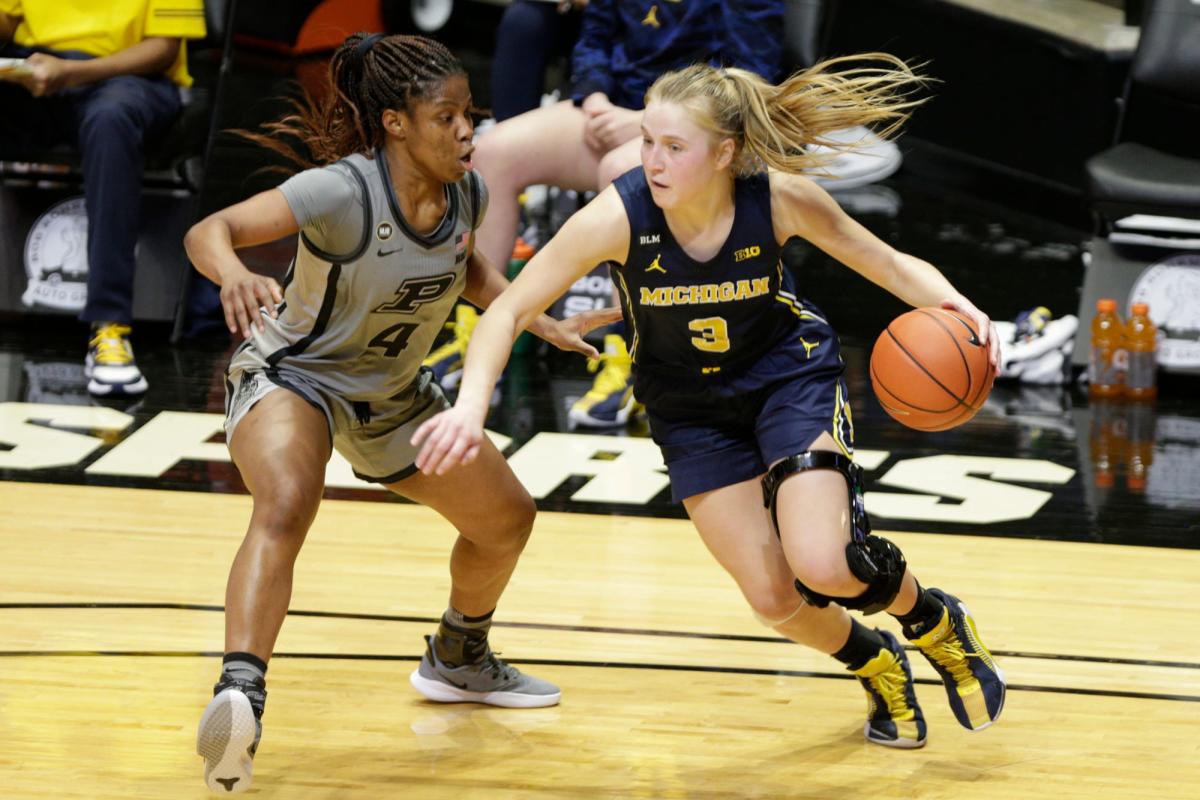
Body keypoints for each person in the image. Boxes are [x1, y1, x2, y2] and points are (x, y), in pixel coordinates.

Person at [413, 55, 1008, 748]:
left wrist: (968, 313)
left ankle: (934, 621)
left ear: (725, 152)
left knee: (822, 562)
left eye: (674, 147)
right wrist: (470, 405)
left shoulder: (778, 198)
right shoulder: (619, 216)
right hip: (689, 409)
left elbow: (891, 265)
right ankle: (876, 663)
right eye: (648, 143)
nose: (654, 162)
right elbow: (506, 312)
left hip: (787, 380)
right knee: (774, 598)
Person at [183, 33, 617, 793]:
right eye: (445, 117)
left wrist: (532, 315)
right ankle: (239, 696)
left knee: (507, 520)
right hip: (297, 376)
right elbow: (208, 230)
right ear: (394, 124)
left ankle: (458, 656)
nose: (465, 131)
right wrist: (232, 275)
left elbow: (471, 269)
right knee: (286, 501)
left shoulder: (468, 194)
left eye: (469, 114)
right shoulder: (341, 192)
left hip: (391, 394)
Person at [423, 0, 785, 429]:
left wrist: (645, 123)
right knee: (495, 152)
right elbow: (593, 38)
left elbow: (750, 72)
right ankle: (477, 335)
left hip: (693, 129)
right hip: (612, 112)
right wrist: (594, 97)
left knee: (623, 170)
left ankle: (629, 361)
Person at [0, 0, 206, 396]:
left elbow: (162, 50)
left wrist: (74, 74)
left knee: (110, 119)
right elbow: (7, 25)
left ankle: (110, 327)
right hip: (35, 72)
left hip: (127, 78)